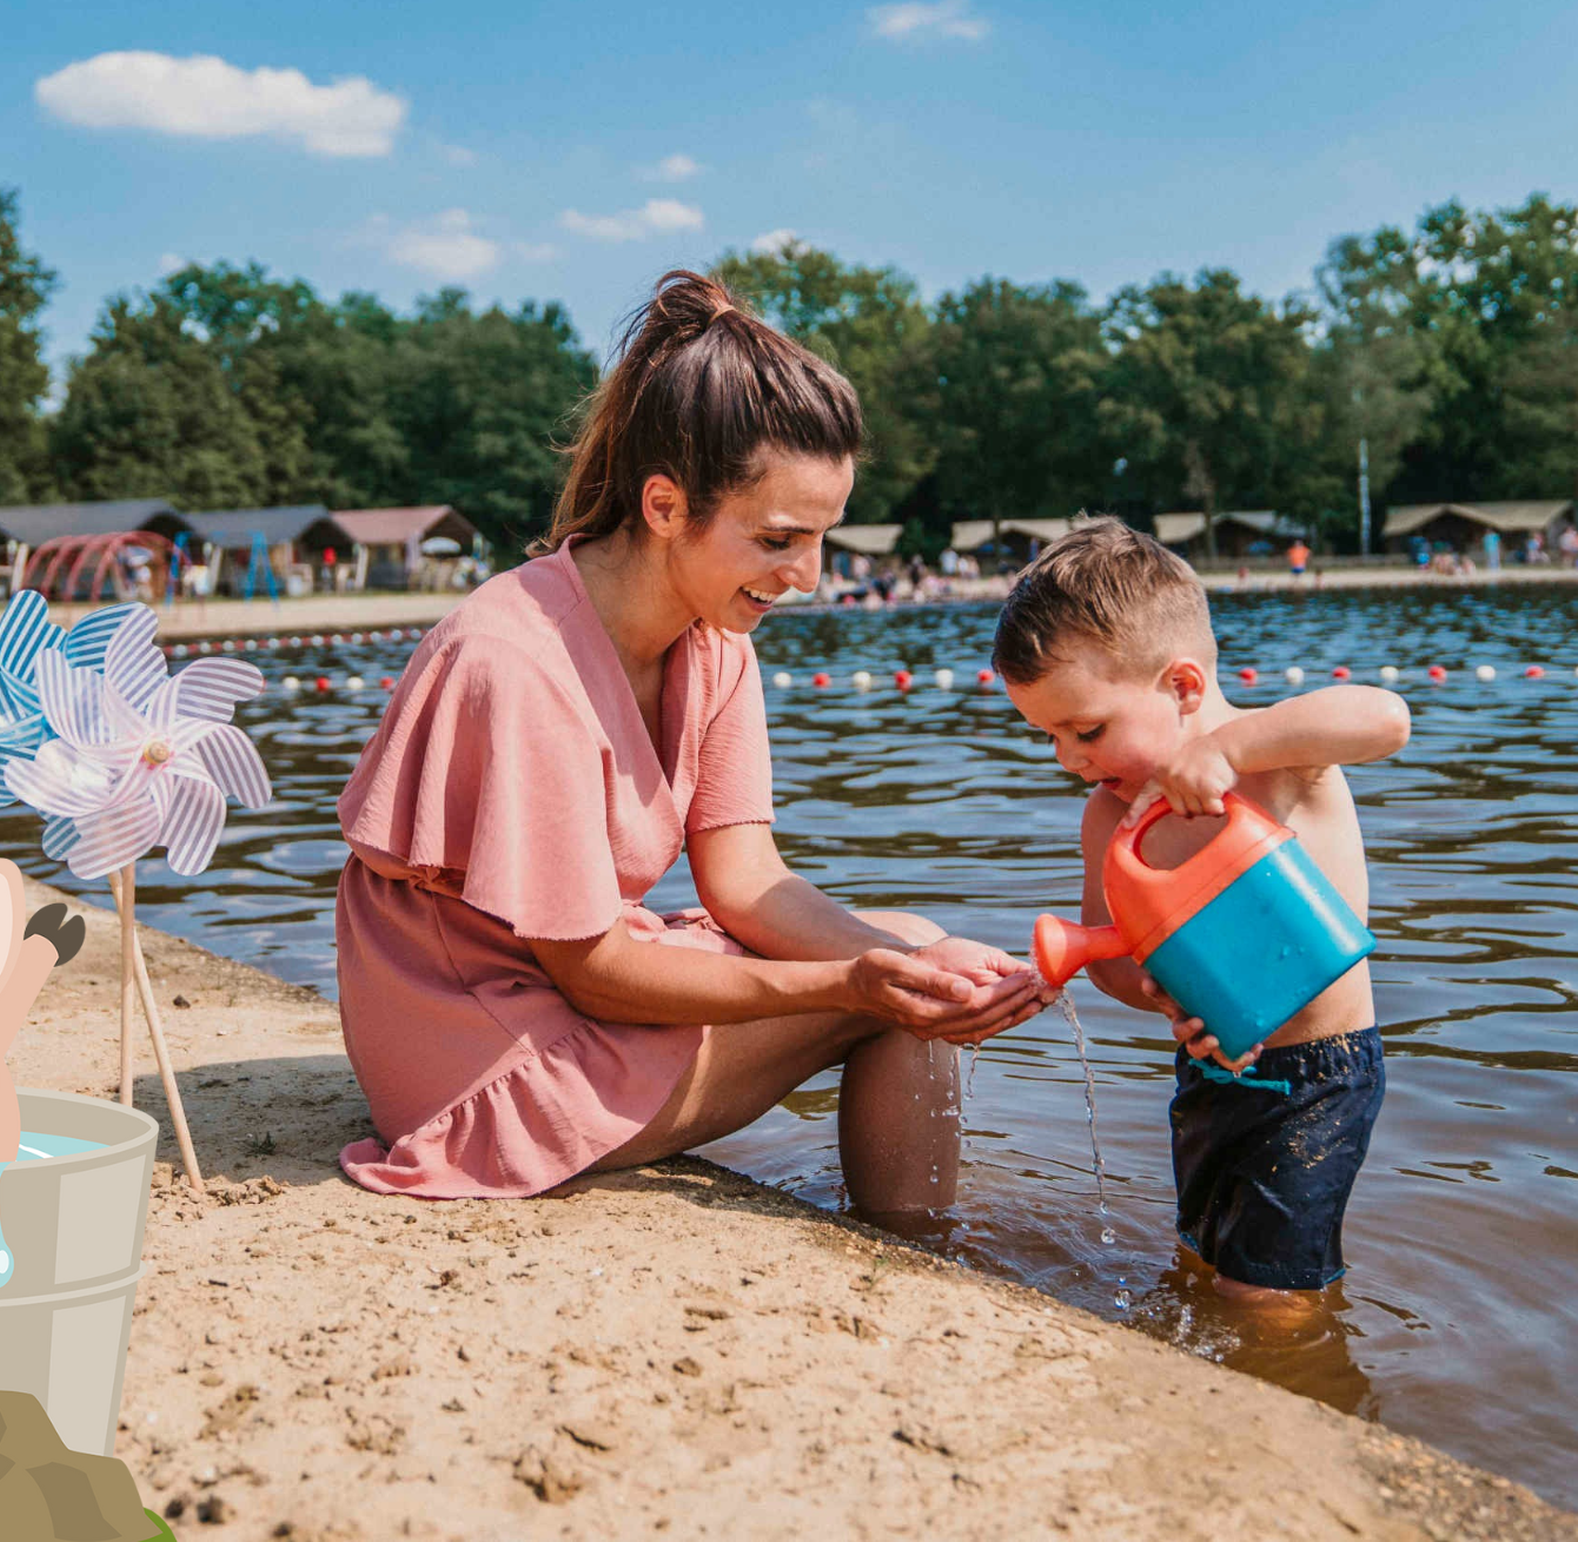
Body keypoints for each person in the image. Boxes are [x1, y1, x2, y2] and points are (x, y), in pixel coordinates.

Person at [332, 270, 1048, 1218]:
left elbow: (746, 881)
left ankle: (918, 1232)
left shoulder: (715, 637)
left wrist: (905, 961)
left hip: (560, 996)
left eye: (823, 538)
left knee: (919, 958)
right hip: (480, 1062)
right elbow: (594, 971)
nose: (809, 577)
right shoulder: (516, 661)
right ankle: (918, 1244)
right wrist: (859, 982)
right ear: (666, 506)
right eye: (781, 539)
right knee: (894, 990)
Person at [995, 518, 1410, 1299]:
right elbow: (1119, 960)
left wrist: (1230, 750)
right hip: (1209, 1068)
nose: (1070, 759)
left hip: (1319, 1073)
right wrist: (1158, 992)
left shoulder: (1280, 757)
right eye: (1048, 737)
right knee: (1206, 1250)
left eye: (1087, 730)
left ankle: (1293, 1381)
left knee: (1268, 1288)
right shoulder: (1107, 819)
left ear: (1183, 687)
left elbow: (1387, 719)